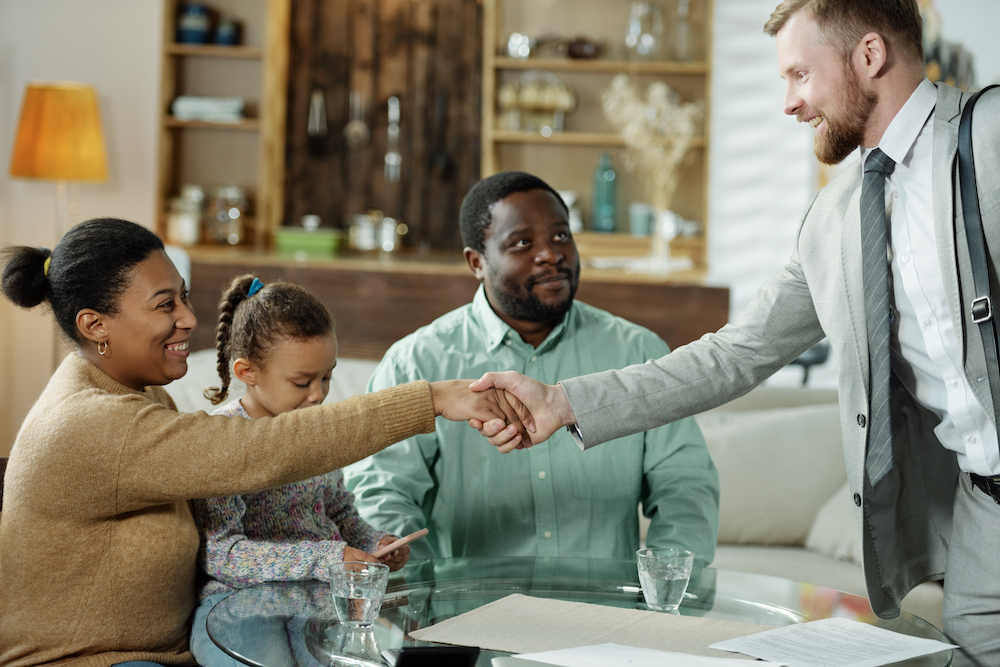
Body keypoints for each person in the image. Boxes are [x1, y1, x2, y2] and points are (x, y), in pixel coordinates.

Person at [473, 2, 1000, 665]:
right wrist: (562, 402)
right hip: (987, 520)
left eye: (800, 75)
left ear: (869, 57)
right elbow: (733, 354)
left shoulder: (989, 136)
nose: (790, 102)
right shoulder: (834, 220)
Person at [0, 218, 523, 667]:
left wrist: (365, 541)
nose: (189, 317)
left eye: (183, 295)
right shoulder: (93, 424)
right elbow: (260, 451)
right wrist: (427, 398)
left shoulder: (134, 395)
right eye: (165, 305)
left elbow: (324, 494)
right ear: (94, 326)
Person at [344, 171, 719, 565]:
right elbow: (382, 497)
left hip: (608, 614)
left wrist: (667, 595)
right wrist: (416, 595)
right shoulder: (416, 362)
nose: (551, 254)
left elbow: (685, 486)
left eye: (561, 236)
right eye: (523, 243)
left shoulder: (638, 350)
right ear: (477, 262)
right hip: (465, 618)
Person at [189, 274, 413, 667]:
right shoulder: (221, 441)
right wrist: (327, 558)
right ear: (247, 372)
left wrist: (374, 543)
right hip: (239, 603)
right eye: (301, 381)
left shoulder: (318, 430)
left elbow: (340, 512)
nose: (319, 395)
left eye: (326, 377)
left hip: (318, 596)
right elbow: (222, 555)